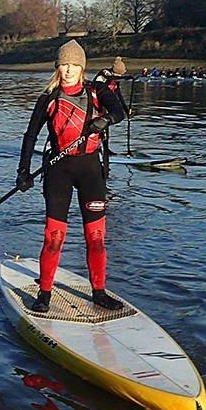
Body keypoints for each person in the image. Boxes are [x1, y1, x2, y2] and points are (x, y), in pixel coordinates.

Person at [16, 40, 126, 313]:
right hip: (58, 171)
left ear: (82, 67)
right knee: (54, 237)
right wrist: (23, 171)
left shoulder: (97, 91)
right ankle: (44, 294)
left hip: (91, 171)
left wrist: (105, 120)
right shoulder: (49, 97)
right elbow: (30, 136)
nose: (68, 70)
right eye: (64, 65)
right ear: (57, 67)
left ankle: (99, 293)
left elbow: (119, 112)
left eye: (74, 65)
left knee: (96, 237)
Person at [91, 56, 131, 177]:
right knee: (99, 130)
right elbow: (100, 81)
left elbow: (119, 96)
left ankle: (106, 151)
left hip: (106, 108)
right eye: (118, 75)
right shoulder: (104, 74)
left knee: (106, 130)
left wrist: (126, 109)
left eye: (121, 75)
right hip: (96, 106)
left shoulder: (115, 81)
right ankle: (97, 151)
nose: (119, 77)